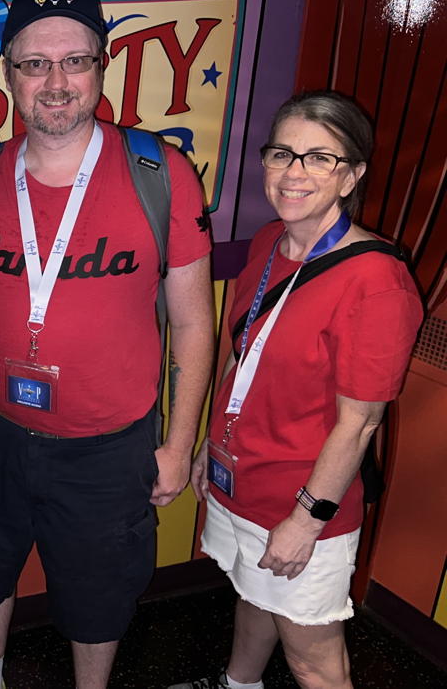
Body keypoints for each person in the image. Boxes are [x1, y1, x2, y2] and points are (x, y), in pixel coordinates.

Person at [0, 0, 216, 689]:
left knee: (99, 597)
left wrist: (178, 443)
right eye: (35, 63)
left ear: (101, 65)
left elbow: (192, 321)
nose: (55, 82)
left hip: (108, 448)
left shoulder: (160, 173)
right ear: (9, 75)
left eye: (74, 61)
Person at [171, 92, 423, 689]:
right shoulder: (269, 243)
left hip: (303, 500)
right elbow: (243, 356)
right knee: (252, 592)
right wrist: (212, 443)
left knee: (312, 657)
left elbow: (359, 424)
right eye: (282, 153)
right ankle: (239, 684)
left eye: (320, 158)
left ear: (351, 176)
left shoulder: (377, 281)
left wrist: (306, 522)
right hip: (242, 476)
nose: (294, 172)